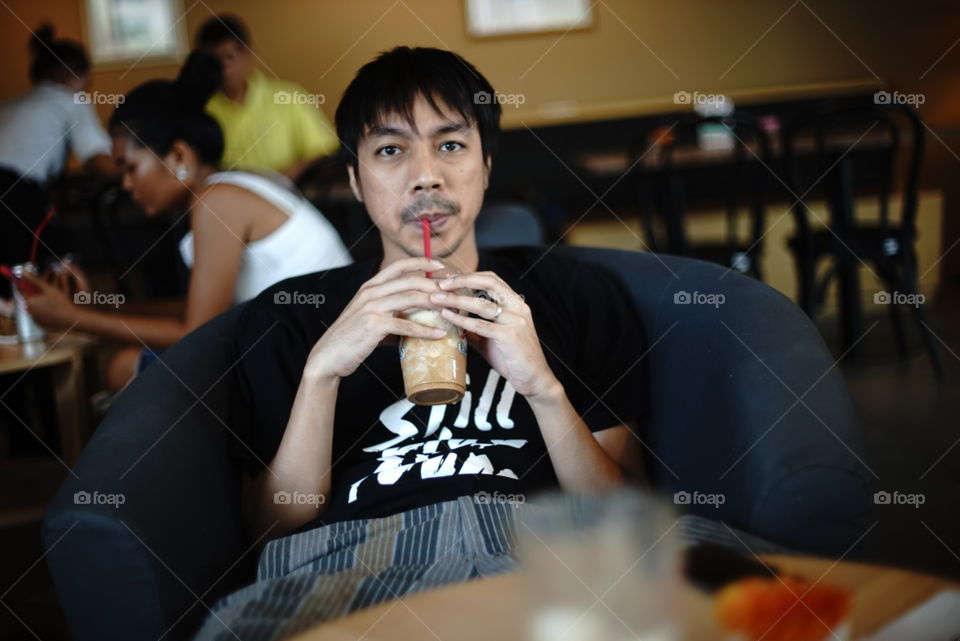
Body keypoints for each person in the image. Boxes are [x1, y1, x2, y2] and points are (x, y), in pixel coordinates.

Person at [191, 46, 652, 640]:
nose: (426, 174)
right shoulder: (291, 318)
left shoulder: (576, 295)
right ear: (356, 180)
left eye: (452, 145)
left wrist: (542, 387)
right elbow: (273, 528)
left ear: (486, 164)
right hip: (354, 563)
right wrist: (323, 374)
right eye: (390, 150)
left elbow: (623, 510)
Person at [20, 52, 352, 391]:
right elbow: (197, 307)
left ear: (178, 156)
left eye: (130, 167)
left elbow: (195, 331)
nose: (127, 185)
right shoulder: (237, 182)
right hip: (314, 348)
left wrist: (71, 319)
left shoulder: (216, 201)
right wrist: (88, 308)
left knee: (124, 366)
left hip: (321, 364)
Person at [0, 25, 118, 293]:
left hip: (15, 189)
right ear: (71, 74)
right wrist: (138, 173)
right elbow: (100, 163)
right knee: (38, 278)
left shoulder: (9, 104)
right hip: (14, 194)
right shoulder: (70, 100)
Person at [196, 14, 339, 180]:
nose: (223, 69)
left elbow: (326, 150)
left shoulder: (289, 97)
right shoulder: (200, 108)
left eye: (229, 57)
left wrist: (284, 178)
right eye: (213, 62)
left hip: (287, 197)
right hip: (225, 200)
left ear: (249, 54)